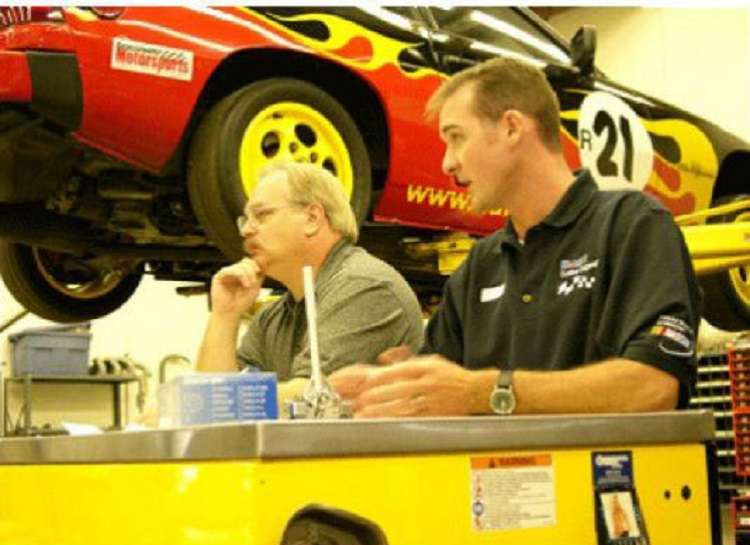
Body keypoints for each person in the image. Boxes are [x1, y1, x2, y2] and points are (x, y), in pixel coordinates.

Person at [329, 56, 701, 417]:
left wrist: (485, 392)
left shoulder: (632, 225)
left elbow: (654, 387)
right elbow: (445, 391)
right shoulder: (480, 266)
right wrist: (387, 386)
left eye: (457, 138)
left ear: (512, 128)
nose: (447, 162)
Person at [196, 161, 424, 402]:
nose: (246, 231)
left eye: (262, 215)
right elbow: (209, 405)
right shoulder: (272, 318)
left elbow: (311, 399)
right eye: (245, 220)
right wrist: (225, 315)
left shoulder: (367, 288)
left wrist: (225, 398)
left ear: (312, 219)